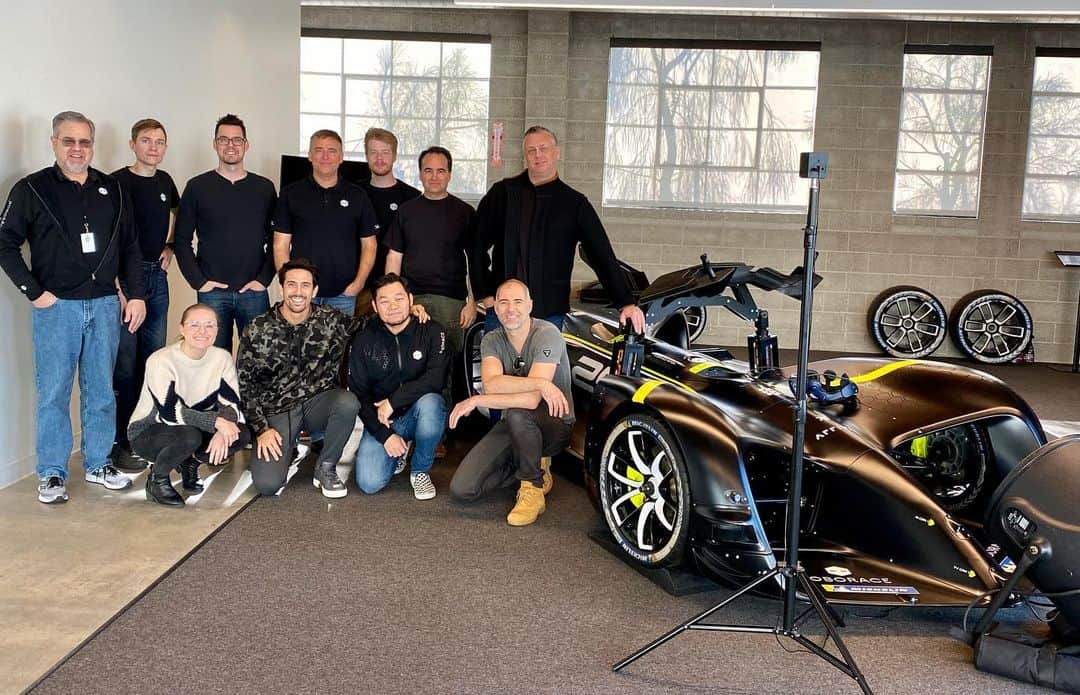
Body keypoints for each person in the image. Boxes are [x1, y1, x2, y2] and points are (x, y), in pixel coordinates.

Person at [0, 110, 144, 503]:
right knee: (54, 393)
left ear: (92, 146)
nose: (77, 149)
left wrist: (135, 294)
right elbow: (5, 244)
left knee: (100, 391)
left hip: (103, 307)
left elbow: (130, 246)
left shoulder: (113, 189)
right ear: (54, 143)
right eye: (69, 141)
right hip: (56, 309)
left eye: (84, 142)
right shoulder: (31, 189)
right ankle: (51, 473)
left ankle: (98, 463)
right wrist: (35, 292)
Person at [474, 125, 644, 333]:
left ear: (556, 152)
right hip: (503, 312)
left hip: (549, 314)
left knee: (544, 366)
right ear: (525, 155)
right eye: (531, 150)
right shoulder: (503, 194)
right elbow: (476, 242)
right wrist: (485, 292)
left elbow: (601, 254)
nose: (538, 155)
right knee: (496, 366)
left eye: (544, 148)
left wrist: (625, 302)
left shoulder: (574, 204)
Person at [448, 280, 573, 526]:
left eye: (517, 302)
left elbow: (531, 400)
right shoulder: (491, 339)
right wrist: (540, 383)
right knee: (463, 489)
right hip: (513, 423)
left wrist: (478, 400)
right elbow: (492, 384)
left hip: (553, 424)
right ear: (495, 307)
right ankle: (529, 463)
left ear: (530, 305)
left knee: (518, 412)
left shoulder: (547, 333)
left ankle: (532, 486)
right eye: (503, 302)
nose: (510, 309)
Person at [236, 259, 362, 498]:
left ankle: (325, 468)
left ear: (314, 291)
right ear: (282, 288)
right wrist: (261, 429)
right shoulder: (258, 327)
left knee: (347, 402)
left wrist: (409, 311)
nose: (298, 291)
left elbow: (368, 326)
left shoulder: (330, 319)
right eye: (291, 284)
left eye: (305, 285)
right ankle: (288, 448)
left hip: (317, 403)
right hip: (276, 410)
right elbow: (246, 385)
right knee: (267, 485)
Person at [128, 304, 250, 507]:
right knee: (189, 435)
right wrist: (217, 422)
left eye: (210, 325)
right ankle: (157, 480)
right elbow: (170, 413)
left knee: (240, 433)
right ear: (182, 329)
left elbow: (231, 404)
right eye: (195, 325)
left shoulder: (221, 358)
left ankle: (191, 463)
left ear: (217, 330)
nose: (203, 331)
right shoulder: (161, 361)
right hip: (149, 433)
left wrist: (222, 429)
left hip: (194, 427)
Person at [110, 118, 181, 468]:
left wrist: (169, 246)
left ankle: (144, 435)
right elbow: (109, 241)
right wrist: (118, 286)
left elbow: (175, 214)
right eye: (146, 141)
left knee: (154, 362)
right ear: (133, 144)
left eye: (159, 141)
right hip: (126, 283)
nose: (153, 147)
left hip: (157, 279)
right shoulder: (115, 183)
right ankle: (120, 441)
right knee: (125, 366)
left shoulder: (166, 181)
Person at [174, 113, 276, 350]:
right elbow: (181, 240)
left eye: (237, 140)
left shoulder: (264, 188)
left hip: (253, 292)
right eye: (224, 139)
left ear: (246, 145)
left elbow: (277, 240)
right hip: (212, 294)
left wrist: (263, 280)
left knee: (259, 360)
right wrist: (199, 282)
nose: (230, 145)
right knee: (212, 362)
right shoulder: (197, 187)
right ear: (215, 144)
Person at [348, 273, 449, 499]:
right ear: (374, 305)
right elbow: (359, 394)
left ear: (411, 300)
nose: (392, 306)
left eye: (399, 299)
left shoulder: (432, 331)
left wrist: (393, 402)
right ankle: (399, 450)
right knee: (369, 483)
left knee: (433, 403)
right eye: (384, 301)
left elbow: (435, 379)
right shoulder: (364, 339)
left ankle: (420, 470)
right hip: (383, 420)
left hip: (418, 412)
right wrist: (385, 435)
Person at [385, 146, 479, 362]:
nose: (434, 176)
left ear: (449, 174)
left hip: (451, 303)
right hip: (412, 299)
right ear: (420, 174)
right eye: (428, 170)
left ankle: (447, 398)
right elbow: (394, 257)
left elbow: (474, 261)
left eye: (441, 171)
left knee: (448, 362)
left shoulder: (464, 213)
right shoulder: (405, 212)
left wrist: (471, 302)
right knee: (409, 360)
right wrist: (395, 299)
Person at [273, 129, 378, 316]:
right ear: (310, 155)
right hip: (302, 295)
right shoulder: (291, 194)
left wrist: (358, 284)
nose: (325, 156)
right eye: (319, 150)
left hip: (343, 295)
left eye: (332, 150)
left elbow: (369, 245)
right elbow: (280, 245)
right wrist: (288, 284)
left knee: (340, 346)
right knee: (300, 345)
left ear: (341, 157)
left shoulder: (358, 196)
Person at [359, 128, 419, 311]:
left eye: (385, 153)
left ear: (394, 156)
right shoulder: (354, 193)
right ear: (366, 155)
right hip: (359, 288)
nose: (379, 159)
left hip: (398, 290)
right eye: (373, 153)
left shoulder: (412, 198)